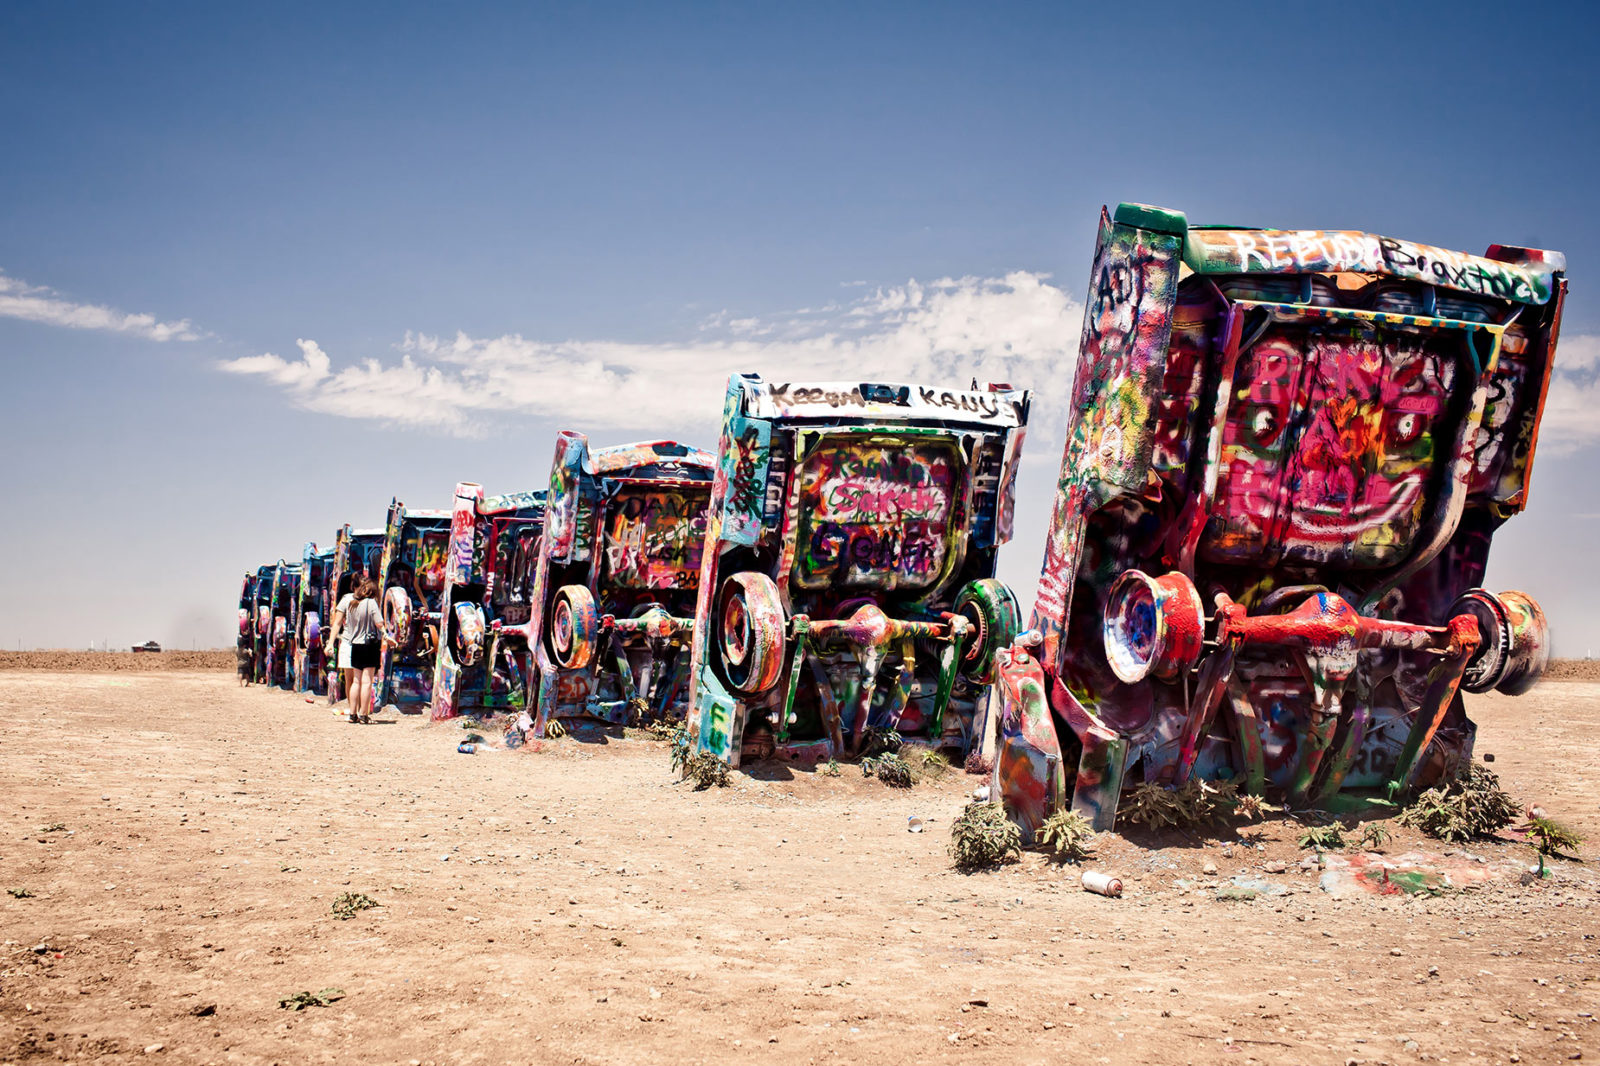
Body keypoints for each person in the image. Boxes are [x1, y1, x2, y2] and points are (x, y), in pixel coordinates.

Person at [344, 578, 393, 724]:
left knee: (356, 681)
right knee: (367, 682)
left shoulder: (351, 604)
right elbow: (379, 622)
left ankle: (352, 714)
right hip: (369, 645)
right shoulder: (371, 603)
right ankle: (364, 714)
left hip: (355, 646)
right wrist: (386, 635)